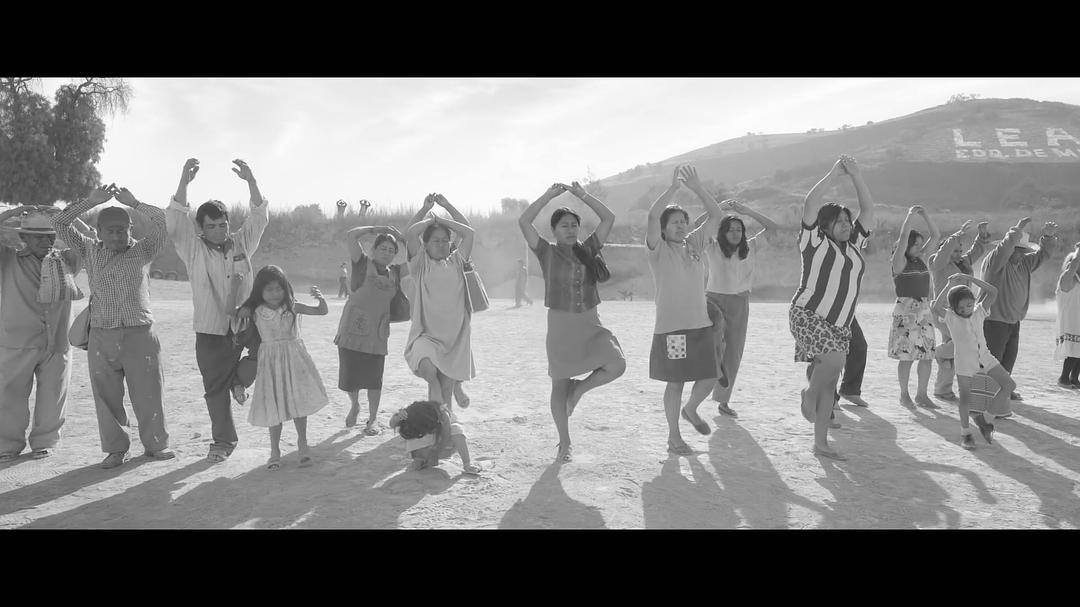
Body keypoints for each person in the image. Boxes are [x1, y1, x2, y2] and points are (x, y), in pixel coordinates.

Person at [52, 184, 175, 469]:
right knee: (106, 396)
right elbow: (59, 222)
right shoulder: (88, 249)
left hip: (140, 332)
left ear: (131, 229)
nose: (117, 235)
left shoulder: (144, 250)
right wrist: (90, 201)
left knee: (149, 393)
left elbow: (164, 222)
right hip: (102, 334)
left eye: (122, 230)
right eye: (110, 230)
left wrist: (136, 203)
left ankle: (157, 445)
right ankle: (116, 450)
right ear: (99, 231)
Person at [167, 158, 269, 463]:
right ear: (201, 227)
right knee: (214, 389)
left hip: (246, 324)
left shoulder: (241, 243)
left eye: (223, 225)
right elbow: (176, 220)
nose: (218, 231)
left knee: (267, 351)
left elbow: (259, 217)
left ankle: (238, 381)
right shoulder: (192, 248)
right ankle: (223, 441)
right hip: (210, 330)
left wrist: (251, 181)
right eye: (211, 226)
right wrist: (184, 182)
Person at [519, 181, 626, 462]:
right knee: (559, 384)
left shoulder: (588, 248)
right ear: (554, 230)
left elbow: (608, 218)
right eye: (564, 225)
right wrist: (547, 196)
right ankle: (564, 443)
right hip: (561, 324)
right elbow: (524, 221)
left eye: (573, 225)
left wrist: (582, 195)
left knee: (617, 364)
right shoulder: (545, 251)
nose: (570, 229)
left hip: (590, 321)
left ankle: (578, 390)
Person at [790, 155, 875, 461]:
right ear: (825, 225)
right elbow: (810, 203)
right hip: (808, 314)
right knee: (835, 362)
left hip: (840, 325)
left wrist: (857, 176)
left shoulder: (854, 246)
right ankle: (808, 395)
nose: (846, 225)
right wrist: (833, 174)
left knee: (830, 381)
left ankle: (821, 444)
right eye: (839, 221)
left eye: (847, 221)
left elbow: (868, 211)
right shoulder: (813, 242)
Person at [647, 165, 727, 456]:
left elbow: (717, 215)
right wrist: (672, 189)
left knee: (711, 374)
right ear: (664, 228)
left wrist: (698, 188)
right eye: (674, 222)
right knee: (676, 382)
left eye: (683, 221)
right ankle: (674, 437)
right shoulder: (658, 249)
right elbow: (652, 216)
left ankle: (690, 409)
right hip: (673, 330)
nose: (680, 226)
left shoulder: (694, 243)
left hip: (700, 325)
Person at [0, 206, 85, 461]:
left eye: (50, 235)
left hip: (58, 339)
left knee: (54, 394)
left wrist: (68, 216)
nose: (45, 241)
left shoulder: (67, 260)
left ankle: (45, 442)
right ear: (23, 237)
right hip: (17, 341)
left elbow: (91, 241)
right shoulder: (8, 260)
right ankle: (7, 445)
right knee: (10, 395)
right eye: (38, 236)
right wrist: (14, 212)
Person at [236, 265, 329, 471]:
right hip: (270, 364)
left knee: (298, 403)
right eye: (269, 289)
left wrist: (321, 298)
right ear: (259, 291)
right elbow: (230, 311)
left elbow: (321, 311)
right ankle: (274, 451)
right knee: (274, 405)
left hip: (294, 360)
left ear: (285, 288)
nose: (275, 293)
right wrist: (236, 286)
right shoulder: (255, 311)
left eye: (278, 288)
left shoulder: (292, 307)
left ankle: (303, 444)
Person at [694, 198, 780, 417]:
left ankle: (723, 401)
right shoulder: (712, 247)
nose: (735, 233)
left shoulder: (751, 247)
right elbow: (696, 226)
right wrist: (718, 209)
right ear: (722, 232)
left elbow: (773, 228)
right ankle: (704, 385)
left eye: (739, 230)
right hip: (713, 301)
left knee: (733, 353)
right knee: (714, 348)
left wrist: (748, 211)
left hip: (739, 304)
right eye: (730, 229)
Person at [404, 196, 476, 408]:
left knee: (446, 389)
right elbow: (410, 234)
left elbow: (468, 233)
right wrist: (427, 216)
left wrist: (445, 212)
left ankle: (444, 421)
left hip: (455, 337)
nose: (441, 244)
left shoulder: (457, 261)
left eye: (445, 240)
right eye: (436, 241)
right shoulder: (420, 264)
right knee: (427, 366)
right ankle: (436, 388)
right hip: (427, 335)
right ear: (425, 245)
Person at [336, 223, 407, 435]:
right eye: (383, 248)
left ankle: (373, 419)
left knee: (374, 380)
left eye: (391, 250)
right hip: (351, 330)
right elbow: (351, 235)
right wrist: (376, 228)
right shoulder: (361, 263)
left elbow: (417, 257)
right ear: (373, 250)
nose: (387, 253)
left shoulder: (396, 273)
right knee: (350, 379)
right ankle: (355, 405)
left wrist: (401, 237)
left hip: (377, 333)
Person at [978, 216, 1058, 403]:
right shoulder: (995, 262)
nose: (1022, 254)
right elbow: (1004, 248)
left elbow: (1043, 255)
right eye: (1018, 249)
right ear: (1009, 247)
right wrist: (1018, 229)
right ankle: (987, 392)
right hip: (994, 319)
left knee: (1008, 358)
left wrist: (1048, 237)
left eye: (1023, 250)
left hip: (1013, 320)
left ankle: (1003, 388)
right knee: (993, 358)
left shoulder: (1024, 263)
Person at [933, 274, 1013, 449]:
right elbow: (935, 307)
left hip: (985, 357)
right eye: (960, 308)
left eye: (969, 305)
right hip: (964, 362)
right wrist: (949, 284)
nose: (965, 310)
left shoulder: (979, 311)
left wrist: (968, 278)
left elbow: (993, 291)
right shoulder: (951, 317)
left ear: (974, 301)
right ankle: (966, 434)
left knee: (1008, 385)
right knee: (965, 398)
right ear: (954, 309)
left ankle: (985, 419)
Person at [928, 220, 991, 401]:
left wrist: (982, 236)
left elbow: (976, 251)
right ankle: (936, 353)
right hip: (943, 313)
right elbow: (944, 253)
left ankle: (942, 389)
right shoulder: (937, 263)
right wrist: (956, 236)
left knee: (953, 356)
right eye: (955, 250)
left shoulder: (963, 263)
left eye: (960, 250)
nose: (959, 254)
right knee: (962, 342)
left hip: (961, 313)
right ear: (946, 250)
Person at [888, 205, 941, 409]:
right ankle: (904, 395)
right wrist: (910, 216)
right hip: (906, 311)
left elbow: (936, 236)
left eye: (920, 244)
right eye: (916, 244)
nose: (920, 247)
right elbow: (903, 238)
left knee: (927, 356)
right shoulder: (899, 262)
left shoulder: (921, 260)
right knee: (907, 357)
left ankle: (922, 395)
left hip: (924, 310)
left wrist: (925, 215)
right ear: (907, 245)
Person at [388, 400, 481, 475]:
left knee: (456, 428)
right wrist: (398, 417)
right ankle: (420, 458)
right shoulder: (409, 413)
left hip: (444, 445)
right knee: (415, 443)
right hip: (428, 443)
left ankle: (467, 464)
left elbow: (445, 435)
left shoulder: (442, 413)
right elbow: (392, 424)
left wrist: (435, 453)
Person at [1054, 243, 1080, 388]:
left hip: (1077, 319)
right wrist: (1079, 250)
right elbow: (1074, 264)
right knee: (1074, 350)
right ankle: (1063, 378)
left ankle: (1074, 378)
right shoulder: (1067, 278)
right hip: (1071, 321)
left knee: (1078, 351)